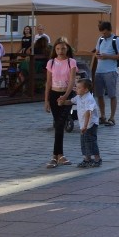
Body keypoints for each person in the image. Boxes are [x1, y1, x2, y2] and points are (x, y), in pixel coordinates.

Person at [44, 39, 78, 168]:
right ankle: (59, 155)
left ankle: (55, 156)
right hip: (54, 94)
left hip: (67, 94)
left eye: (63, 49)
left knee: (60, 123)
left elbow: (71, 81)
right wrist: (46, 100)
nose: (61, 51)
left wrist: (65, 96)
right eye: (58, 49)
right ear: (55, 50)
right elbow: (48, 82)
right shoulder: (51, 62)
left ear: (67, 49)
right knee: (58, 124)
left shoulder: (71, 62)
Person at [92, 21, 119, 126]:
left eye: (105, 33)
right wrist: (97, 55)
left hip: (110, 71)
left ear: (109, 30)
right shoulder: (100, 39)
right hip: (99, 71)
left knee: (112, 95)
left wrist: (107, 56)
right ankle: (103, 116)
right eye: (102, 33)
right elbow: (97, 51)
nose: (103, 35)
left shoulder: (117, 40)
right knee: (99, 95)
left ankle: (112, 117)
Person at [63, 78, 101, 168]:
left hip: (90, 124)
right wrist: (62, 102)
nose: (76, 89)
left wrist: (85, 126)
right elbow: (71, 102)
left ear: (86, 89)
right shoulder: (79, 97)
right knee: (84, 142)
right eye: (76, 87)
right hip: (83, 124)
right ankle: (87, 159)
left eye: (79, 88)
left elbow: (89, 113)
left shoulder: (89, 98)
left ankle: (97, 159)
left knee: (91, 141)